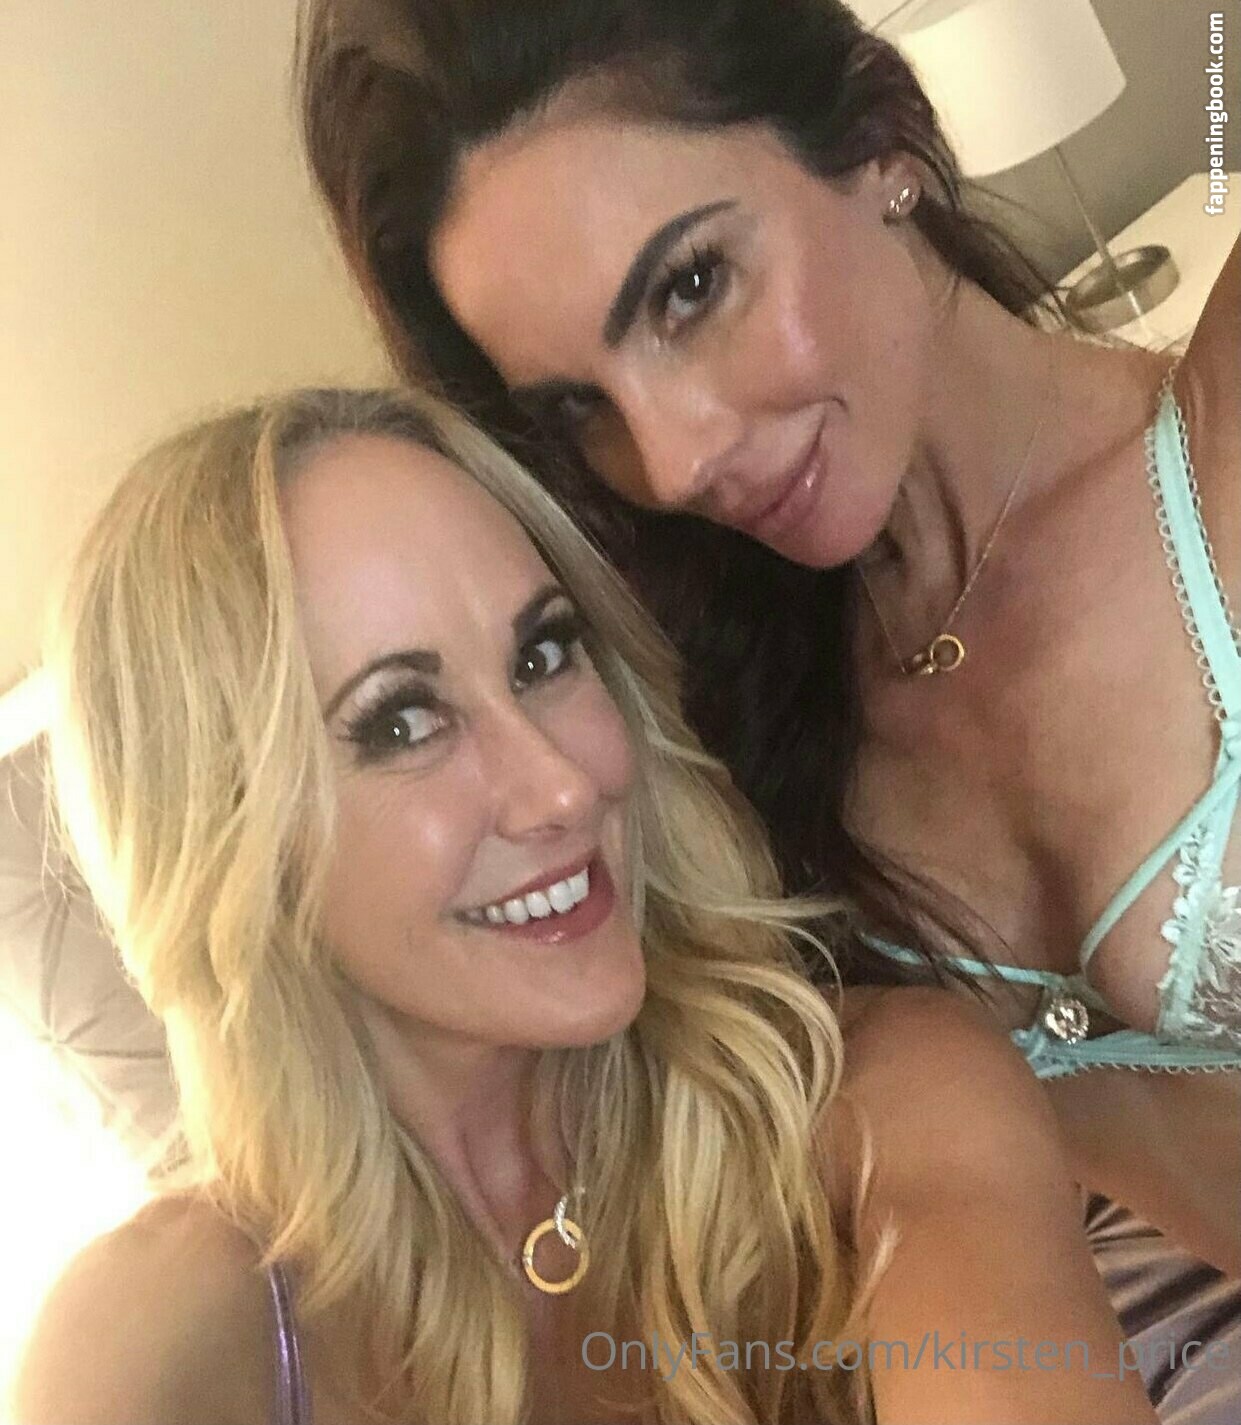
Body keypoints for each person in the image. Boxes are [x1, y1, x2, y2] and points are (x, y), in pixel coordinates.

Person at [295, 0, 1241, 1397]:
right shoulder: (730, 755)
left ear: (876, 140)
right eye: (575, 409)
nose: (671, 461)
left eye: (688, 289)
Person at [12, 388, 1155, 1425]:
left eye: (542, 657)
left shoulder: (873, 1102)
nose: (561, 785)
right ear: (225, 841)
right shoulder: (166, 1333)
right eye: (401, 721)